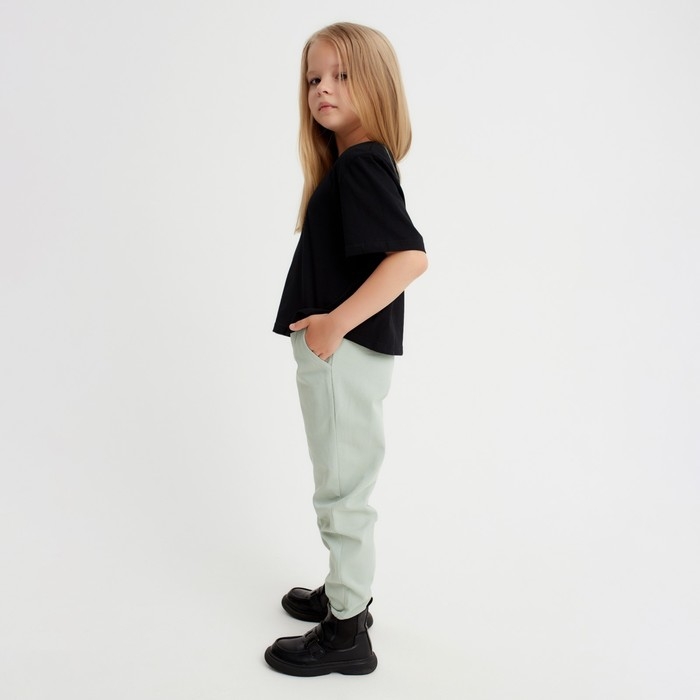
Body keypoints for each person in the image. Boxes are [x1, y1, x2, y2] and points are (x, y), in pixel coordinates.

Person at [265, 21, 428, 677]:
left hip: (343, 353)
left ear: (377, 84)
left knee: (342, 491)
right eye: (314, 78)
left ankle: (346, 632)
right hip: (341, 353)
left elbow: (409, 258)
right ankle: (344, 594)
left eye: (340, 76)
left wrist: (333, 325)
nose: (322, 89)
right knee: (342, 482)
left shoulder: (361, 163)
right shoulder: (353, 163)